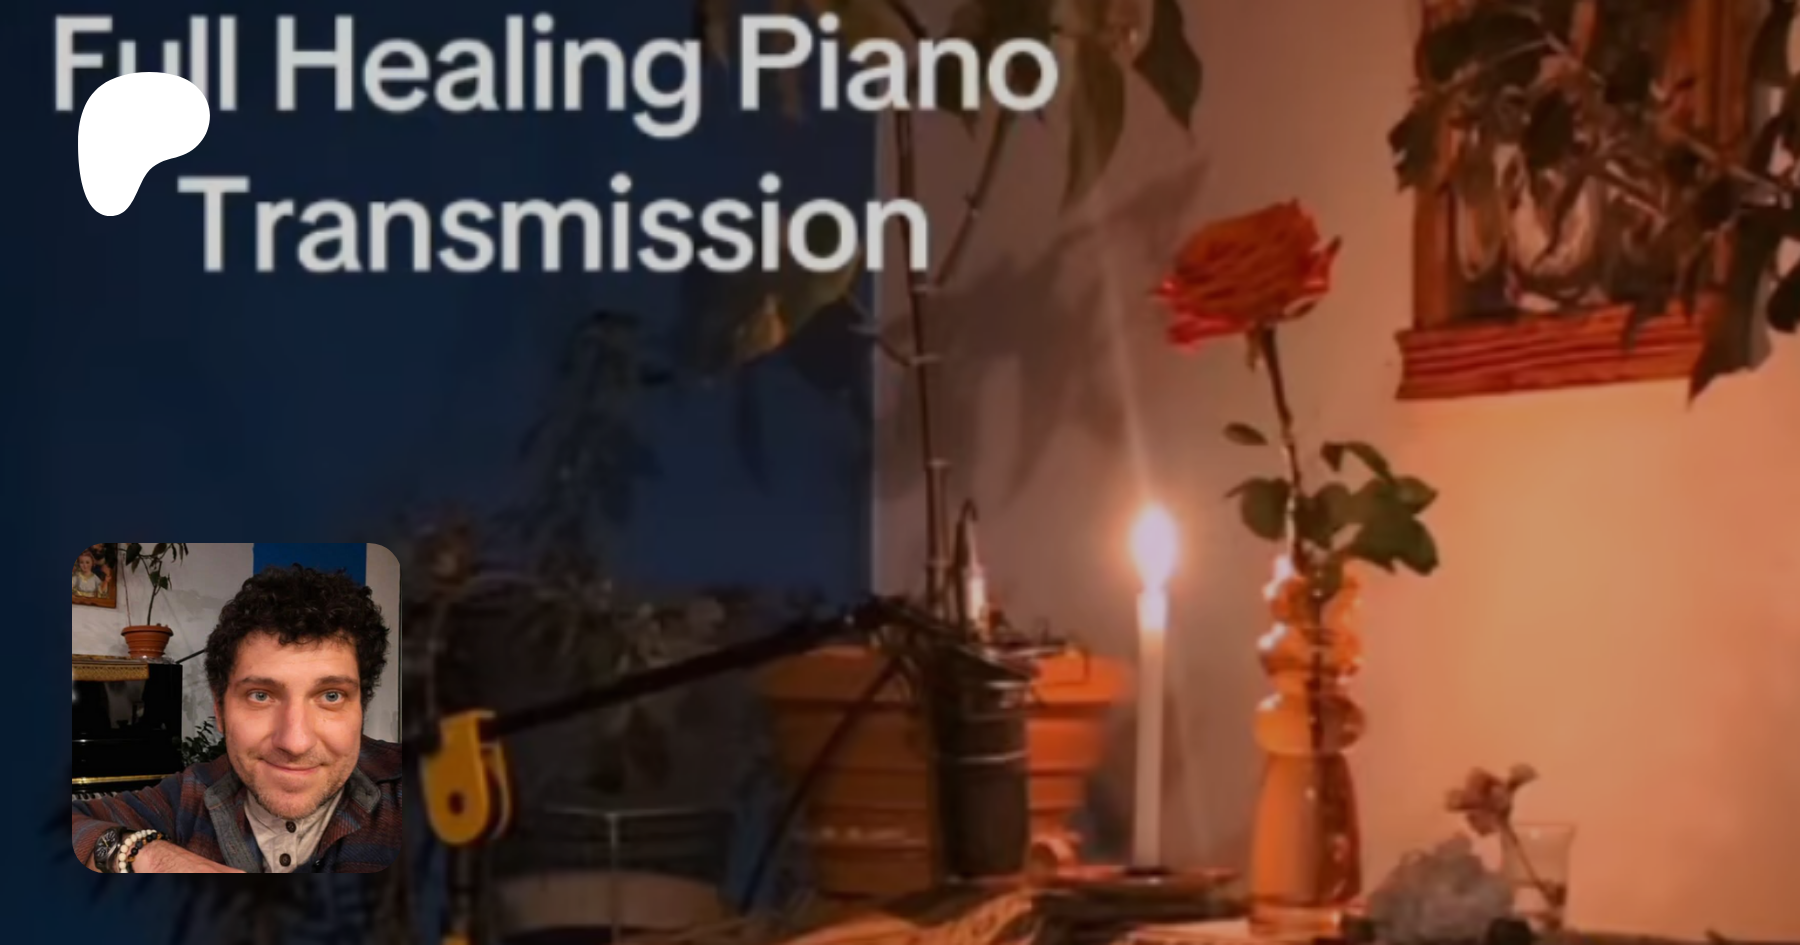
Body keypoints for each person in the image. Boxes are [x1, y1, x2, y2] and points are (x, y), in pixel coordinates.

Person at [72, 564, 402, 873]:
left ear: (362, 707)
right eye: (261, 695)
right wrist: (150, 856)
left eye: (331, 696)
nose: (295, 742)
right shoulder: (186, 797)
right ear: (220, 710)